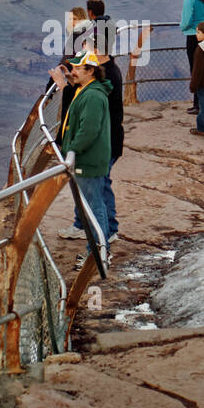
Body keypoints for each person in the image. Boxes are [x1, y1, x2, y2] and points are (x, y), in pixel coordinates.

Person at [51, 51, 113, 265]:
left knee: (93, 207)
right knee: (96, 204)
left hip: (88, 161)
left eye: (78, 68)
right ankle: (98, 250)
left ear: (91, 71)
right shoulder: (86, 90)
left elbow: (89, 130)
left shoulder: (93, 96)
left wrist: (72, 151)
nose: (73, 71)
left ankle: (96, 253)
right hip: (90, 159)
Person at [85, 0, 123, 241]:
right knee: (103, 184)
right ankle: (109, 230)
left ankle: (103, 235)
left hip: (107, 140)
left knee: (98, 188)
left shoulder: (106, 77)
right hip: (110, 138)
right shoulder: (110, 69)